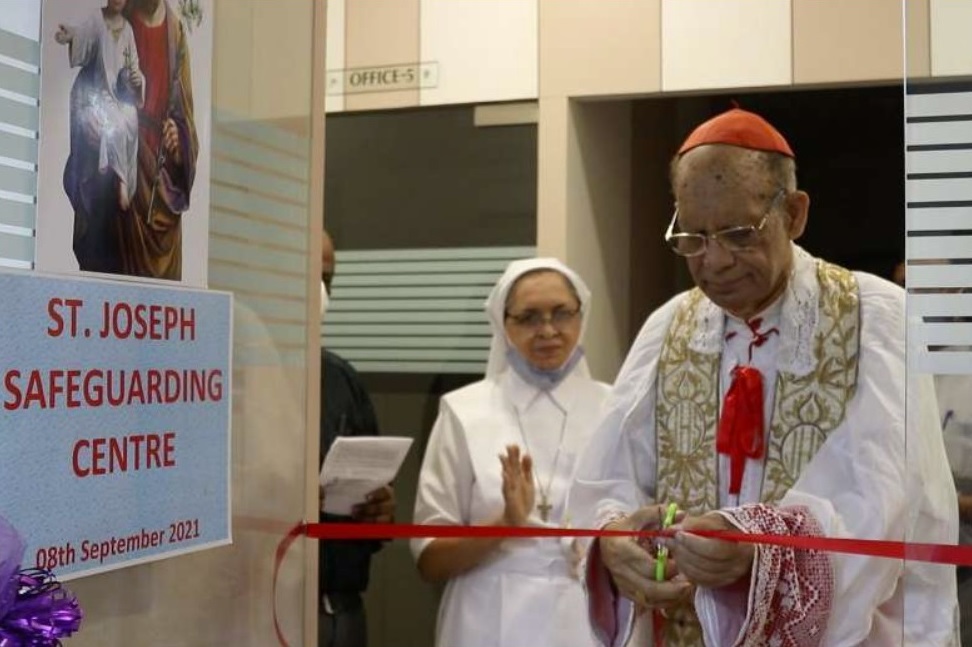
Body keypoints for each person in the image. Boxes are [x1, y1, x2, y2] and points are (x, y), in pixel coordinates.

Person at [568, 107, 958, 646]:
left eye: (737, 233)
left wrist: (760, 551)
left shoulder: (875, 316)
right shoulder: (668, 328)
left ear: (794, 214)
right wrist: (613, 541)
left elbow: (887, 499)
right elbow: (606, 477)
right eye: (693, 238)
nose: (715, 261)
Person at [411, 258, 610, 647]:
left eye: (561, 314)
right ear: (504, 326)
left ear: (579, 317)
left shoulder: (614, 407)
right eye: (529, 317)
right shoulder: (463, 411)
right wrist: (505, 524)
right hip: (487, 620)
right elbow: (429, 560)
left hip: (587, 618)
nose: (548, 330)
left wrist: (599, 550)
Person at [318, 229, 395, 647]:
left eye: (326, 280)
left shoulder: (340, 380)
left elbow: (377, 511)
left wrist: (377, 513)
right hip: (259, 600)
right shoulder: (230, 375)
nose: (318, 293)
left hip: (342, 606)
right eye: (305, 275)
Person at [59, 0, 144, 274]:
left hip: (120, 96)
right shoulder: (97, 20)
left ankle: (123, 179)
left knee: (129, 120)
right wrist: (71, 35)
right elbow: (82, 37)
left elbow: (135, 66)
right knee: (112, 126)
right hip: (100, 98)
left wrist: (136, 80)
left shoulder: (128, 30)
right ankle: (117, 176)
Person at [122, 0, 199, 280]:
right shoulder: (122, 18)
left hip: (162, 181)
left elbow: (186, 116)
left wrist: (179, 140)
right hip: (129, 166)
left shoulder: (176, 33)